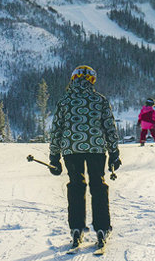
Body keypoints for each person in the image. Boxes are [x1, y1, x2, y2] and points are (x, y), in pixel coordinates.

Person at [48, 65, 121, 250]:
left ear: (73, 79)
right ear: (92, 81)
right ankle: (102, 229)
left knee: (76, 186)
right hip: (96, 149)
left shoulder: (65, 101)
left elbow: (56, 130)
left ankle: (76, 228)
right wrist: (114, 154)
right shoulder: (100, 100)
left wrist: (54, 157)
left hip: (71, 150)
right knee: (98, 185)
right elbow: (109, 129)